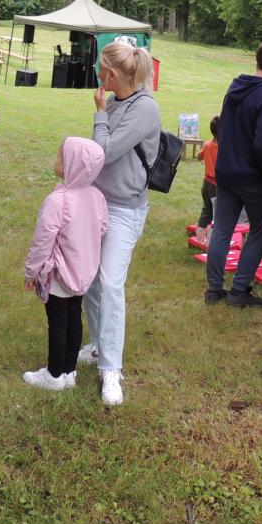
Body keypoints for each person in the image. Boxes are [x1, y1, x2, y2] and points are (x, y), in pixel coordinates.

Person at [77, 38, 161, 407]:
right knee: (90, 281)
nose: (97, 74)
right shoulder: (115, 102)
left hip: (125, 209)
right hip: (97, 203)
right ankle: (98, 345)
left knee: (111, 283)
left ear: (111, 74)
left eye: (100, 68)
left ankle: (111, 369)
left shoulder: (144, 109)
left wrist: (99, 115)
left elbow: (104, 152)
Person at [204, 37, 262, 309]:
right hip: (252, 177)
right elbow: (261, 147)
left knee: (222, 229)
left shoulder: (235, 87)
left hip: (226, 172)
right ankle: (239, 291)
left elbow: (227, 131)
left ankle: (214, 290)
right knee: (260, 230)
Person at [22, 137, 109, 391]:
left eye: (60, 156)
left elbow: (42, 242)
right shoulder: (97, 196)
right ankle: (69, 372)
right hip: (83, 273)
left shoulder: (57, 201)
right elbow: (103, 228)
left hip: (60, 275)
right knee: (74, 319)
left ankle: (54, 375)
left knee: (58, 322)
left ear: (73, 164)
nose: (56, 160)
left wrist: (31, 272)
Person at [195, 116, 221, 243]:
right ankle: (211, 242)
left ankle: (200, 239)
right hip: (217, 187)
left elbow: (198, 157)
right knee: (217, 215)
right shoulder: (224, 148)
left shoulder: (206, 144)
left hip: (206, 184)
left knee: (206, 211)